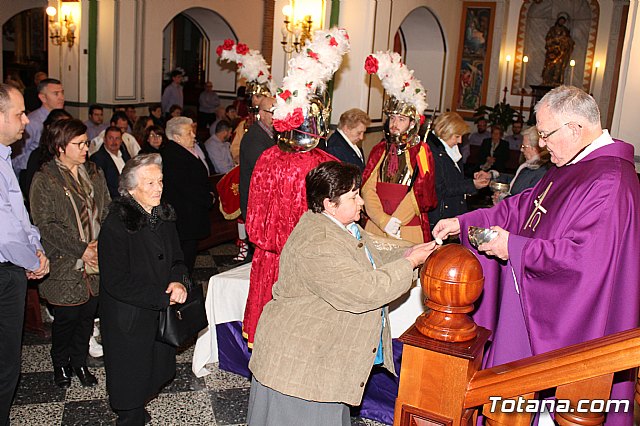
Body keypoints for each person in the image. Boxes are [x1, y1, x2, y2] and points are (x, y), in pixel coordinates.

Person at [433, 86, 640, 425]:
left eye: (546, 134)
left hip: (576, 327)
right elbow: (524, 207)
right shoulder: (575, 163)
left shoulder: (609, 179)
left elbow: (583, 259)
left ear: (575, 128)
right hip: (532, 305)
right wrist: (463, 222)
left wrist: (511, 247)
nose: (542, 144)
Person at [248, 161, 437, 426]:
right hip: (302, 363)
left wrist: (412, 252)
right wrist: (410, 264)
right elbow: (365, 290)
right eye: (353, 196)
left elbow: (375, 257)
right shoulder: (318, 242)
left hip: (324, 356)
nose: (362, 202)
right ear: (329, 204)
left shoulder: (344, 227)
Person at [98, 153, 189, 426]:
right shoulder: (116, 225)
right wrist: (161, 298)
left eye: (160, 181)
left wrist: (177, 281)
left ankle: (138, 407)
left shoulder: (162, 216)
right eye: (149, 183)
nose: (158, 188)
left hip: (157, 312)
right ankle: (129, 416)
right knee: (130, 375)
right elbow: (116, 282)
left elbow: (177, 259)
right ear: (130, 189)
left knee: (153, 369)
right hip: (129, 317)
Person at [30, 119, 110, 389]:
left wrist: (100, 244)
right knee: (67, 320)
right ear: (60, 147)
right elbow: (45, 224)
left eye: (86, 142)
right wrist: (81, 248)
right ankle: (60, 363)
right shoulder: (46, 178)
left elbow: (107, 209)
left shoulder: (95, 172)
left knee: (87, 317)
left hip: (96, 260)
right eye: (79, 144)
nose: (86, 148)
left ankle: (79, 363)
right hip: (66, 263)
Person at [0, 84, 49, 426]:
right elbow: (4, 231)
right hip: (4, 272)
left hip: (14, 265)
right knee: (5, 363)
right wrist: (33, 260)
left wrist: (36, 247)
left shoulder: (5, 157)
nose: (26, 121)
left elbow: (19, 215)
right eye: (18, 113)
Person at [362, 52, 437, 244]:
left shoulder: (421, 152)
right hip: (376, 225)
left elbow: (421, 190)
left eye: (401, 119)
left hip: (406, 227)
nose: (394, 124)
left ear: (412, 124)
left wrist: (395, 221)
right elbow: (368, 188)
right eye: (392, 118)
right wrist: (382, 220)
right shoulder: (379, 150)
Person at [162, 117, 213, 273]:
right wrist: (207, 198)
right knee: (184, 257)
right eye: (188, 133)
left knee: (188, 255)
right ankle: (183, 285)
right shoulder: (173, 155)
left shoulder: (183, 151)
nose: (193, 135)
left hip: (190, 216)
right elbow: (187, 187)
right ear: (176, 137)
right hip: (184, 217)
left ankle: (185, 283)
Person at [425, 112, 490, 230]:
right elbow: (441, 189)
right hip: (441, 215)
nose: (460, 141)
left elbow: (455, 177)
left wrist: (473, 177)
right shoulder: (432, 153)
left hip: (453, 209)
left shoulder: (450, 148)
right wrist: (472, 185)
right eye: (457, 136)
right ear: (445, 132)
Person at [12, 78, 65, 179]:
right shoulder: (32, 122)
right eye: (56, 94)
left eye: (62, 93)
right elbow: (17, 157)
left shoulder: (63, 117)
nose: (61, 97)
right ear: (43, 97)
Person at [491, 125, 551, 203]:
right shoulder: (531, 165)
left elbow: (526, 201)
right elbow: (517, 180)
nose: (521, 150)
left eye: (524, 146)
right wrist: (492, 175)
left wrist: (503, 199)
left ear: (536, 147)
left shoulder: (542, 171)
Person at [90, 126, 132, 198]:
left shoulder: (125, 155)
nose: (114, 142)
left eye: (117, 138)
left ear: (121, 141)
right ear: (104, 140)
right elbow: (100, 187)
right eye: (110, 138)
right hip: (114, 200)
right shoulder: (98, 158)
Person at [542, 14, 575, 86]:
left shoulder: (565, 30)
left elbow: (568, 41)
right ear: (558, 20)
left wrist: (564, 41)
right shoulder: (552, 29)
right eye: (561, 20)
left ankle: (555, 81)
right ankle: (546, 80)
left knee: (558, 66)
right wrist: (554, 40)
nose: (562, 22)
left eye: (563, 21)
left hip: (560, 52)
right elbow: (548, 39)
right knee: (549, 66)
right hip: (552, 51)